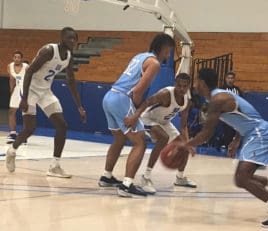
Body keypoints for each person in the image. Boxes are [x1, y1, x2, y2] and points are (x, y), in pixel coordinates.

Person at [179, 68, 268, 228]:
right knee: (243, 178)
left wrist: (185, 144)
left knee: (242, 178)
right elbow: (244, 116)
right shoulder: (218, 96)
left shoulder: (218, 99)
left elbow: (206, 133)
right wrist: (236, 139)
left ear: (203, 83)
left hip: (259, 133)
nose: (196, 84)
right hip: (254, 133)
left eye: (197, 81)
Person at [99, 33, 175, 197]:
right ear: (162, 48)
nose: (168, 56)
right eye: (168, 51)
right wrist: (136, 112)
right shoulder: (154, 63)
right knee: (140, 142)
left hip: (109, 96)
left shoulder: (140, 56)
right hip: (122, 99)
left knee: (119, 139)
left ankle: (106, 176)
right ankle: (126, 185)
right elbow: (138, 91)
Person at [5, 27, 87, 178]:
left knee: (62, 125)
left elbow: (70, 80)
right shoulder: (49, 50)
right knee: (30, 128)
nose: (73, 41)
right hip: (29, 89)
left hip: (45, 91)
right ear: (62, 38)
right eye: (70, 38)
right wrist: (24, 98)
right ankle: (12, 151)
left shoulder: (69, 55)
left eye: (74, 39)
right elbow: (29, 72)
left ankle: (55, 166)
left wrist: (79, 106)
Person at [124, 73, 196, 194]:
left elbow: (183, 125)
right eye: (179, 86)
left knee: (183, 147)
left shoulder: (187, 102)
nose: (181, 89)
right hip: (147, 118)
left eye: (185, 86)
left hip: (164, 122)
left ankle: (180, 178)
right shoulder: (166, 94)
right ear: (175, 84)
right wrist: (135, 116)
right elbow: (147, 102)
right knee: (164, 137)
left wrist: (188, 143)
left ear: (189, 86)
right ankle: (146, 177)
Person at [7, 51, 29, 144]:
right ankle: (12, 134)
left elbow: (31, 79)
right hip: (17, 88)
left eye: (18, 57)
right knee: (12, 111)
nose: (16, 59)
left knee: (25, 113)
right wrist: (12, 92)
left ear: (21, 59)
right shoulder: (10, 66)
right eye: (15, 57)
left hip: (26, 89)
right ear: (13, 58)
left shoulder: (26, 67)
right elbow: (12, 79)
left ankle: (24, 136)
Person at [219, 71, 243, 149]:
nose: (230, 80)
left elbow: (241, 101)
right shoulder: (222, 89)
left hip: (236, 114)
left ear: (234, 80)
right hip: (226, 114)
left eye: (232, 78)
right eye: (228, 78)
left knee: (235, 132)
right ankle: (225, 144)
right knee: (228, 132)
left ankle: (231, 145)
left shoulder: (237, 90)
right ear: (225, 79)